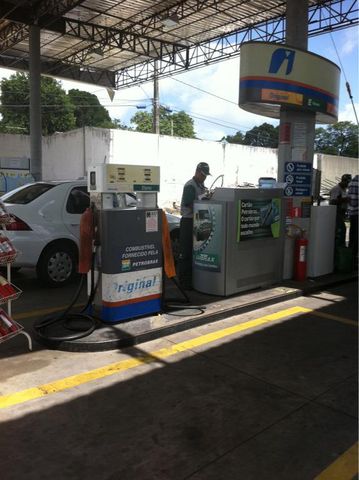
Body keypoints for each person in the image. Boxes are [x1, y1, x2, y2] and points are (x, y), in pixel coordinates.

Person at [178, 162, 211, 289]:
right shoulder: (190, 186)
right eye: (203, 175)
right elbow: (190, 204)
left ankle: (193, 280)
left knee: (195, 252)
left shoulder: (202, 186)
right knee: (185, 252)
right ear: (197, 172)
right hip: (188, 221)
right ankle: (184, 283)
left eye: (206, 176)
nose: (204, 178)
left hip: (198, 222)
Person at [329, 174, 351, 248]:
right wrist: (345, 200)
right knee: (340, 230)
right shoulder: (336, 189)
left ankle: (340, 247)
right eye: (347, 183)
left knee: (343, 230)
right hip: (336, 213)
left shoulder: (344, 189)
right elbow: (332, 201)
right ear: (343, 181)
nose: (348, 185)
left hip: (342, 213)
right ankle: (336, 247)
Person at [347, 174, 358, 267]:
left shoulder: (352, 182)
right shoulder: (356, 183)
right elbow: (354, 201)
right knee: (355, 237)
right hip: (357, 213)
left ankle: (351, 260)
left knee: (353, 236)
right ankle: (352, 261)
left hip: (352, 213)